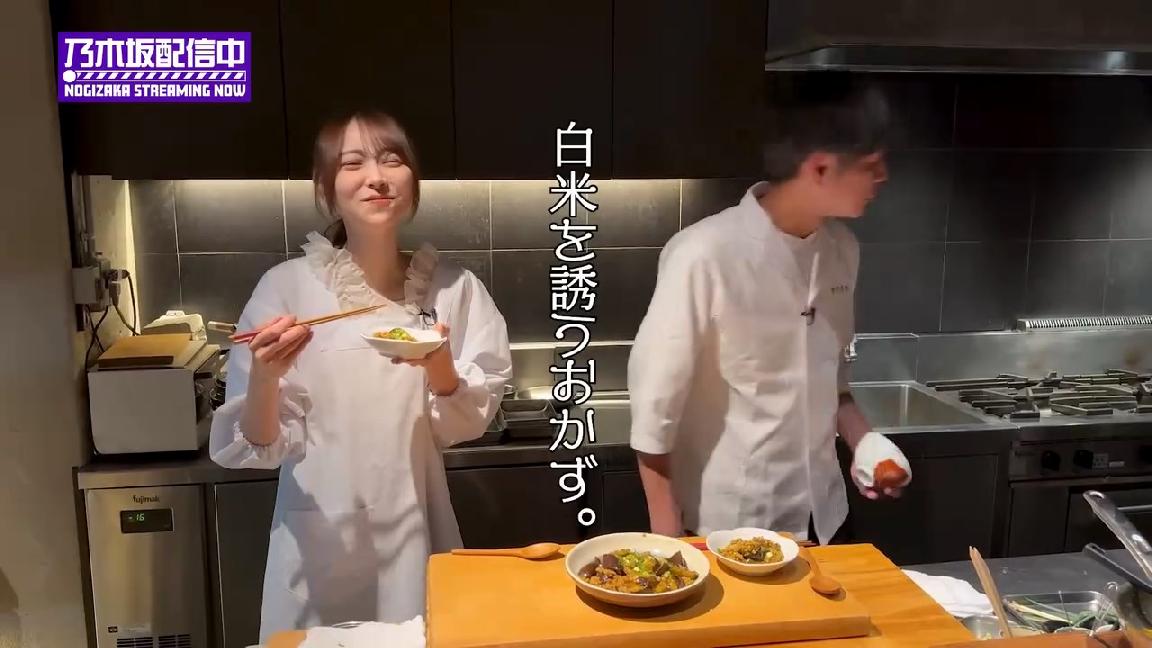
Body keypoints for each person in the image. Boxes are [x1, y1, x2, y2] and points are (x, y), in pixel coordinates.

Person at [209, 109, 512, 640]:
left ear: (413, 180)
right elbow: (257, 445)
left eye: (392, 160)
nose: (376, 177)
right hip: (316, 543)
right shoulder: (286, 288)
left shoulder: (454, 288)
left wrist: (439, 366)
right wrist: (264, 377)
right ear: (327, 187)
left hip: (417, 528)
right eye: (353, 164)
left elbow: (466, 423)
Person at [627, 73, 910, 546]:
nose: (882, 177)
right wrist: (669, 543)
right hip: (730, 526)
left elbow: (832, 384)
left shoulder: (842, 249)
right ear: (820, 168)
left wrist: (866, 443)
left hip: (825, 517)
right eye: (871, 165)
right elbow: (654, 414)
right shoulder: (704, 254)